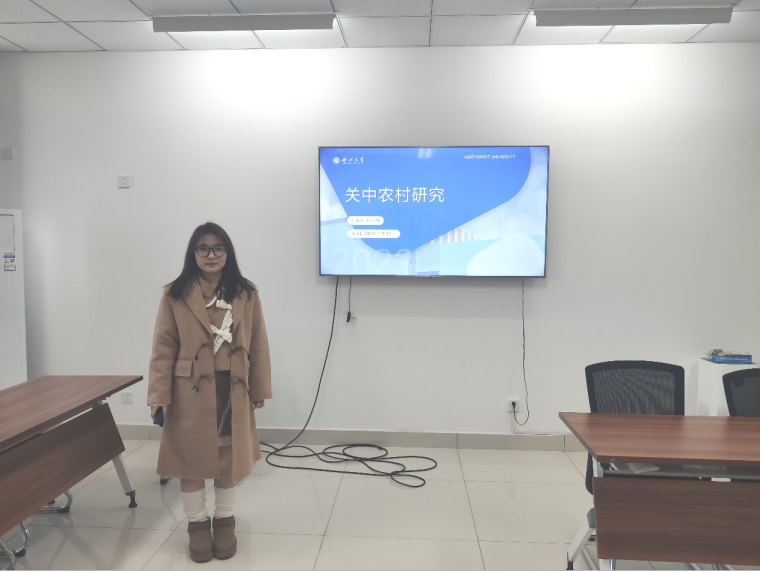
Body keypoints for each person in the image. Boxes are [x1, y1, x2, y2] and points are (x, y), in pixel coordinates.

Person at [147, 222, 271, 563]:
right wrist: (158, 395)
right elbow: (163, 348)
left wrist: (259, 386)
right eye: (203, 248)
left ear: (227, 253)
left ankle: (225, 520)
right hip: (188, 389)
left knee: (228, 457)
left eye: (218, 248)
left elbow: (258, 342)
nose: (211, 255)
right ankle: (197, 524)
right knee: (190, 460)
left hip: (233, 387)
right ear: (193, 253)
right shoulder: (175, 294)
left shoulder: (245, 292)